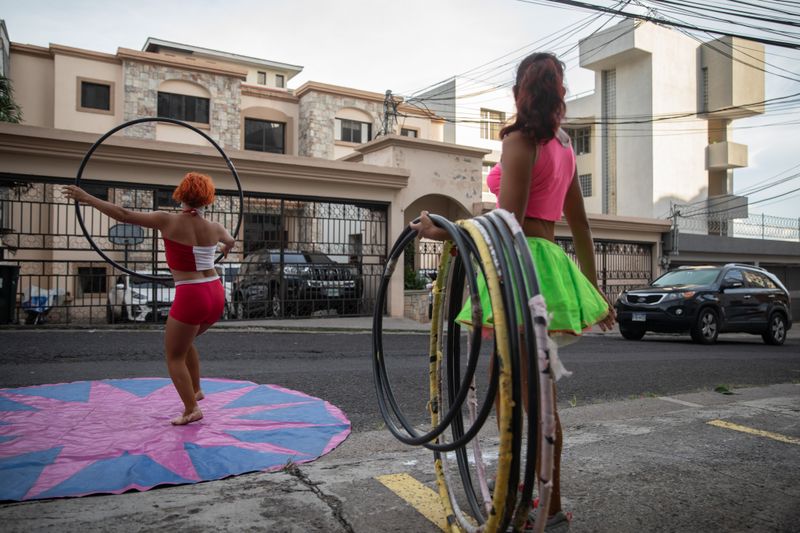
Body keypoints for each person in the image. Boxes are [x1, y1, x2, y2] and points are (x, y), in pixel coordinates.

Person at [411, 52, 615, 531]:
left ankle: (543, 504)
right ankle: (539, 495)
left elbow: (507, 224)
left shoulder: (523, 142)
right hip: (548, 264)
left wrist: (446, 232)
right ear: (559, 92)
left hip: (523, 269)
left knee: (523, 395)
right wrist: (591, 286)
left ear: (521, 92)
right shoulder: (563, 148)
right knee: (523, 391)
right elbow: (580, 225)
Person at [64, 172, 235, 426]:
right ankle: (196, 389)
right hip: (215, 292)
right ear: (206, 199)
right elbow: (230, 241)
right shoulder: (215, 227)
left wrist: (86, 197)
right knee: (185, 343)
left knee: (173, 354)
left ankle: (191, 409)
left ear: (181, 195)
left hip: (191, 293)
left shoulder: (167, 220)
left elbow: (123, 215)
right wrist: (224, 249)